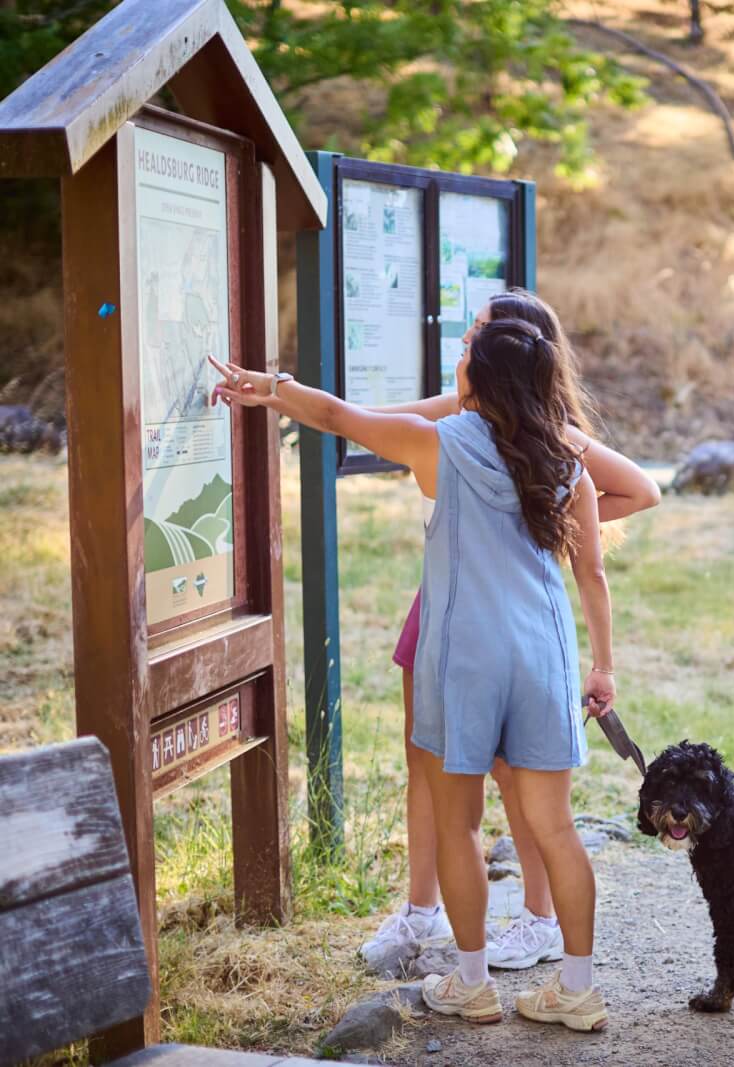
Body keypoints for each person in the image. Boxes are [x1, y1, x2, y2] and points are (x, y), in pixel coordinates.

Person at [210, 305, 621, 1031]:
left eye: (466, 355)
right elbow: (592, 573)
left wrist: (269, 385)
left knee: (459, 824)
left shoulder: (437, 444)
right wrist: (604, 667)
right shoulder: (569, 462)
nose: (456, 363)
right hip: (545, 655)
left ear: (480, 379)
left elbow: (336, 415)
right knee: (555, 826)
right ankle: (579, 990)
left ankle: (472, 982)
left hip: (463, 656)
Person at [357, 291, 659, 974]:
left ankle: (537, 916)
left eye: (477, 333)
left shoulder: (551, 433)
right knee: (423, 761)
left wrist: (543, 524)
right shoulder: (462, 406)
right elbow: (374, 424)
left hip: (501, 618)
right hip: (441, 603)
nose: (466, 343)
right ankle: (421, 909)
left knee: (515, 778)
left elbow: (642, 489)